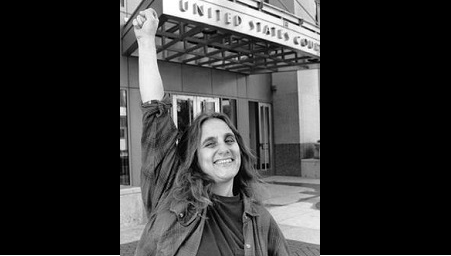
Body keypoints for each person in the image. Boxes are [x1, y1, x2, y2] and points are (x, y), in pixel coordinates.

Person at [132, 8, 290, 256]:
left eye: (229, 139)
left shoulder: (262, 221)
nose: (224, 148)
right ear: (194, 158)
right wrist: (146, 41)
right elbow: (156, 113)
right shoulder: (172, 202)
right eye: (209, 143)